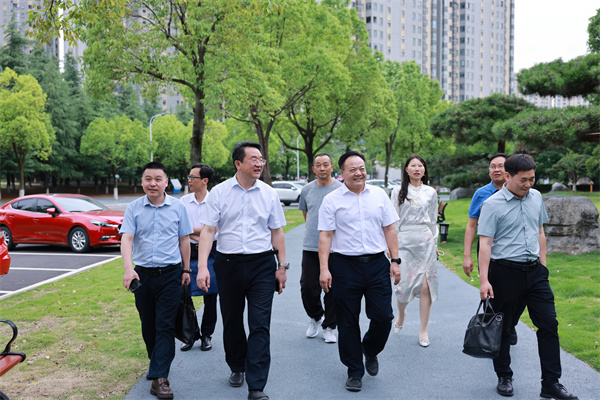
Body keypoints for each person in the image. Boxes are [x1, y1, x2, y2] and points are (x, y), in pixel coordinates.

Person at [478, 154, 577, 400]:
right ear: (507, 176)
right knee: (503, 328)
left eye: (532, 178)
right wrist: (484, 280)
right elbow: (485, 244)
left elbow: (540, 231)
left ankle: (551, 383)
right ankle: (504, 375)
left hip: (535, 273)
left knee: (549, 324)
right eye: (523, 180)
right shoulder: (491, 204)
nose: (528, 184)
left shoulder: (536, 197)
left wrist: (543, 266)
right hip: (504, 273)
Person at [196, 142, 288, 400]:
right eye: (253, 159)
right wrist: (202, 267)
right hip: (228, 264)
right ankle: (237, 365)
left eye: (261, 159)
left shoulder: (269, 193)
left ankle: (256, 386)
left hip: (262, 265)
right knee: (233, 320)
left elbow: (277, 231)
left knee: (260, 325)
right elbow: (209, 231)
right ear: (238, 163)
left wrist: (282, 266)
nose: (259, 163)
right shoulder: (219, 192)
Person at [318, 151, 401, 393]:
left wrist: (395, 260)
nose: (359, 173)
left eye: (362, 168)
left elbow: (389, 228)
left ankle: (370, 349)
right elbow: (325, 236)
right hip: (344, 266)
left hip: (377, 264)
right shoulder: (332, 200)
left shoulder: (378, 195)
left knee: (383, 317)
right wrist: (324, 269)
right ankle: (354, 370)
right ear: (341, 173)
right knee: (347, 321)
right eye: (352, 169)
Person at [120, 161, 193, 400]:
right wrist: (128, 269)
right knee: (148, 325)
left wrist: (186, 269)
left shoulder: (178, 207)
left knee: (165, 325)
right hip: (142, 276)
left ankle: (160, 378)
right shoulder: (133, 208)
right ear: (142, 181)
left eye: (158, 179)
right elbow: (127, 238)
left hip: (171, 275)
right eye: (148, 179)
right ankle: (156, 363)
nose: (153, 183)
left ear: (166, 182)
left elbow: (184, 239)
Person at [463, 153, 519, 346]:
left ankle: (510, 324)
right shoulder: (481, 194)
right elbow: (471, 225)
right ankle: (496, 331)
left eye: (501, 166)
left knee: (517, 293)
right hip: (487, 249)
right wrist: (467, 256)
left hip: (512, 248)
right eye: (493, 166)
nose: (496, 169)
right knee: (492, 292)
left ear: (508, 170)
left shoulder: (518, 191)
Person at [391, 155, 438, 348]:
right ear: (406, 169)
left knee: (426, 286)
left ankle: (423, 329)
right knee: (402, 287)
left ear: (424, 170)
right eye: (413, 166)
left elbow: (433, 220)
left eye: (420, 166)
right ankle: (401, 313)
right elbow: (393, 220)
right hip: (404, 242)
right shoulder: (397, 191)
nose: (417, 169)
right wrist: (391, 248)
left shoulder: (431, 192)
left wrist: (435, 243)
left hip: (425, 242)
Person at [298, 153, 342, 343]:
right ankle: (316, 317)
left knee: (333, 289)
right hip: (311, 246)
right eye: (318, 165)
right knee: (308, 287)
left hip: (336, 248)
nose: (322, 168)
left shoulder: (341, 189)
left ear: (332, 167)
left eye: (326, 164)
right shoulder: (307, 190)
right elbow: (306, 214)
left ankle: (330, 326)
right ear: (313, 169)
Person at [180, 163, 218, 352]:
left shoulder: (214, 200)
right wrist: (202, 232)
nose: (189, 180)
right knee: (185, 294)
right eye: (189, 176)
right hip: (188, 251)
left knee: (210, 294)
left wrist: (193, 231)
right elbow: (179, 228)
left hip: (211, 251)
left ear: (204, 180)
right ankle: (191, 334)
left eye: (192, 177)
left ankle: (207, 335)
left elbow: (214, 230)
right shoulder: (183, 201)